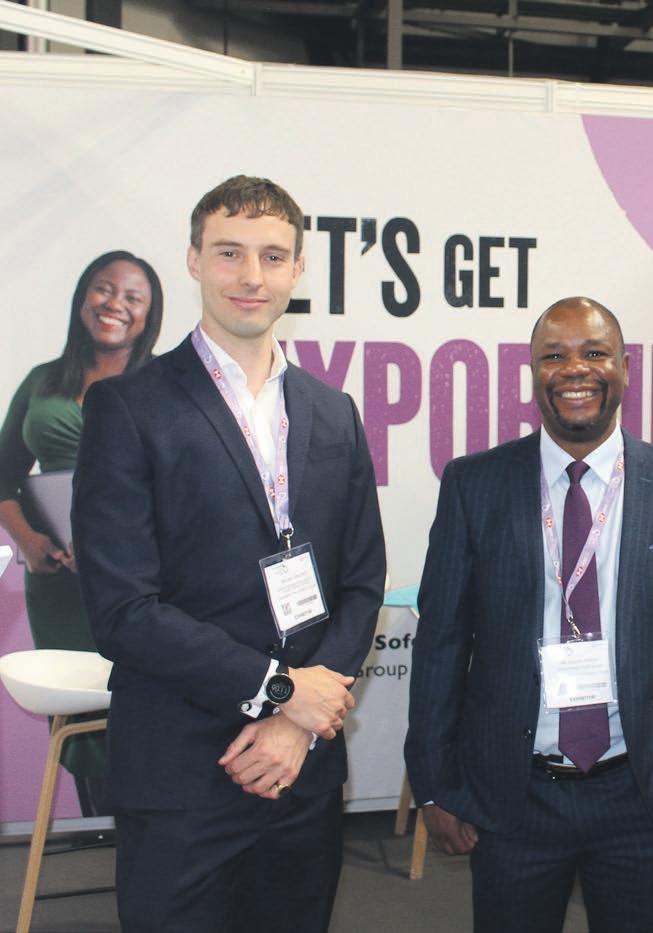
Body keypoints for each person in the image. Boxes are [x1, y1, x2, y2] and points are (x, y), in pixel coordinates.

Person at [73, 175, 386, 933]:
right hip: (182, 773)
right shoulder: (128, 407)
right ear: (193, 259)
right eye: (229, 252)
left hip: (301, 771)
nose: (251, 276)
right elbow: (124, 610)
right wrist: (278, 693)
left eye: (272, 256)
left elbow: (360, 582)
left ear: (298, 269)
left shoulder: (332, 411)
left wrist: (297, 722)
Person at [405, 296, 653, 933]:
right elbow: (441, 642)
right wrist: (434, 782)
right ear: (533, 373)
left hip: (644, 793)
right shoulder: (474, 485)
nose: (574, 369)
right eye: (553, 356)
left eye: (594, 353)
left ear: (625, 368)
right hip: (513, 796)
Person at [0, 250, 163, 816]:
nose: (115, 304)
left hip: (140, 583)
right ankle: (102, 829)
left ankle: (148, 834)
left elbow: (188, 487)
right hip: (60, 586)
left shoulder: (166, 383)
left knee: (143, 704)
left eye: (133, 297)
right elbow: (4, 473)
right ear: (82, 298)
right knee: (77, 714)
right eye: (103, 289)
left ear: (150, 315)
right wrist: (29, 541)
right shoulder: (43, 381)